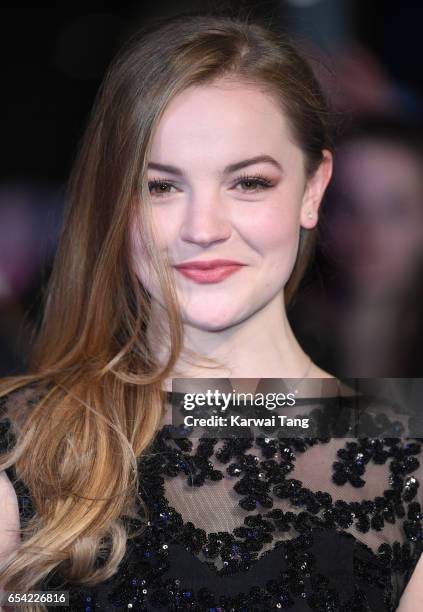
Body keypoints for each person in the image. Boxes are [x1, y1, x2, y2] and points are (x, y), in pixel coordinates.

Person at [0, 13, 422, 612]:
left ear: (312, 189)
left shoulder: (409, 467)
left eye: (248, 183)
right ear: (116, 202)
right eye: (161, 186)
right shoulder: (21, 445)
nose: (203, 229)